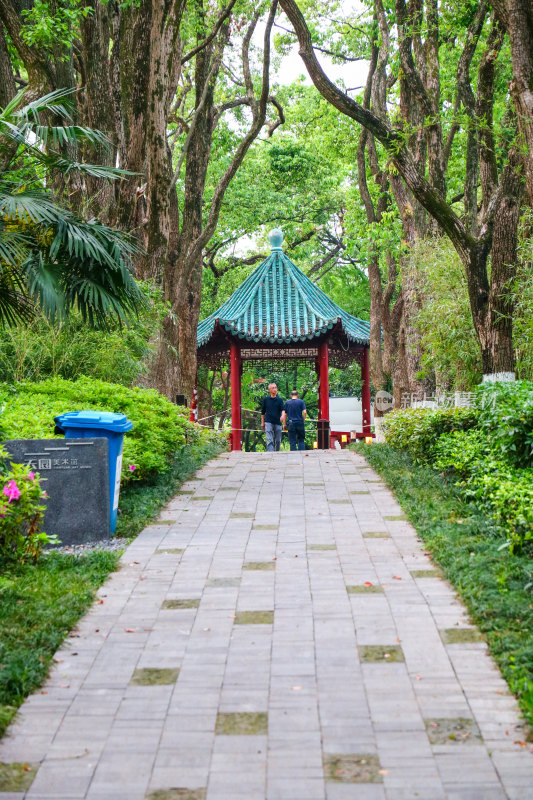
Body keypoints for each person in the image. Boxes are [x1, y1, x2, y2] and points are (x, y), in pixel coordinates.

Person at [261, 382, 284, 452]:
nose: (275, 389)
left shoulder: (280, 400)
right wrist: (262, 422)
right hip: (268, 421)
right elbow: (262, 412)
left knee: (278, 440)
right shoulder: (266, 400)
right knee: (269, 439)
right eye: (273, 388)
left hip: (277, 421)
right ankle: (270, 453)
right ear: (269, 390)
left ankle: (277, 452)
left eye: (275, 387)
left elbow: (283, 409)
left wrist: (283, 416)